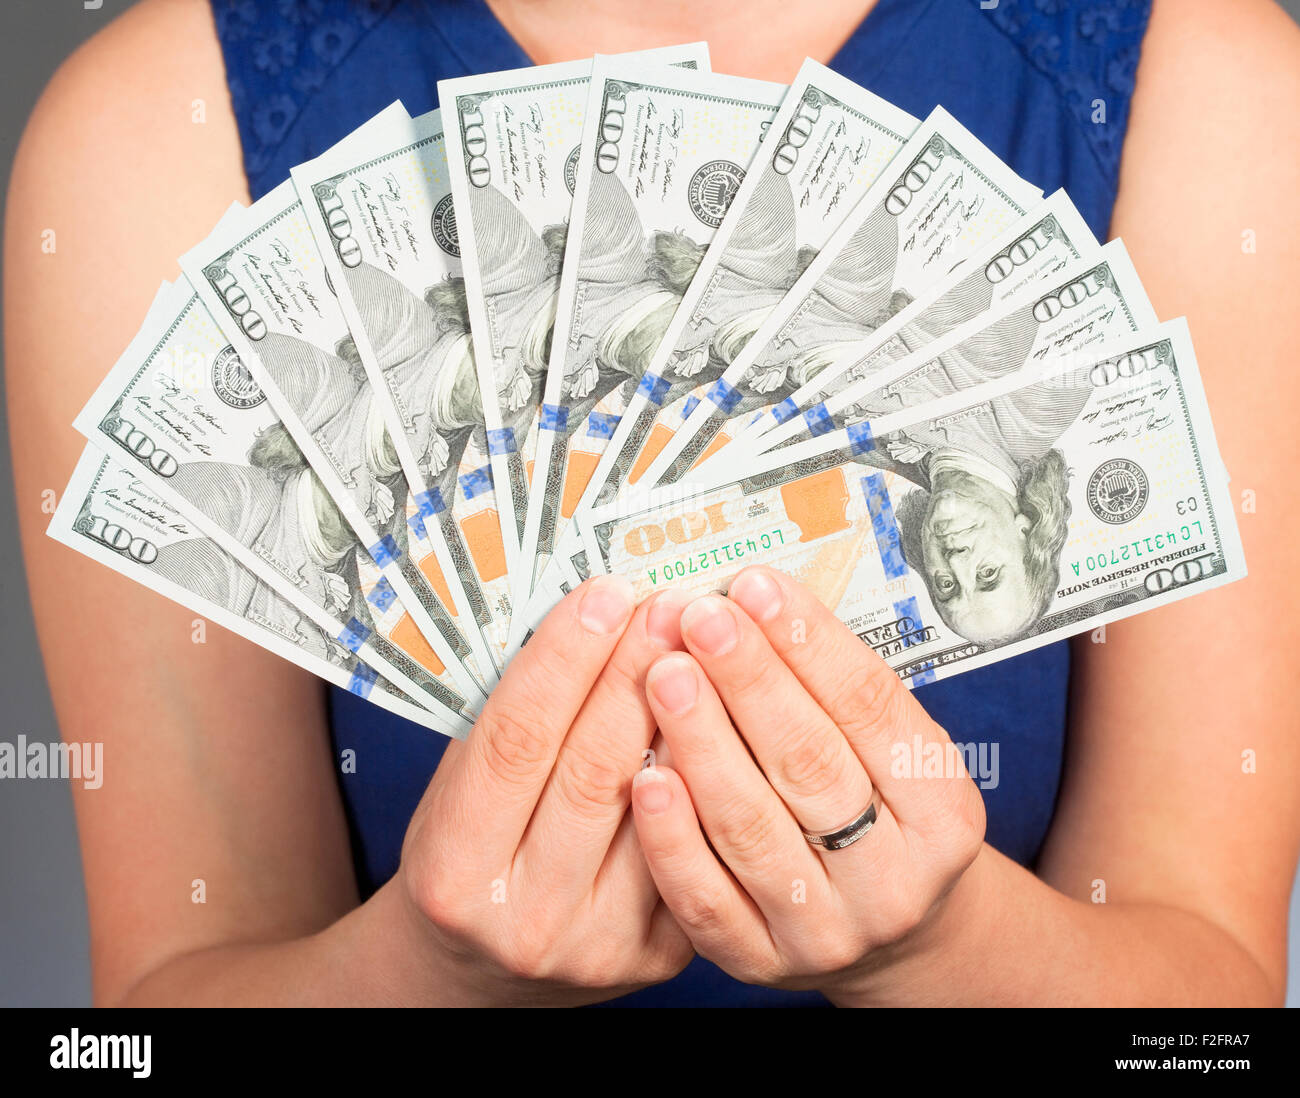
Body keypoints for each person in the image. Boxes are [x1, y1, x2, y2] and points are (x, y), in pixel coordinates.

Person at [7, 0, 1300, 1006]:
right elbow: (119, 1047)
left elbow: (1206, 1032)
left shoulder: (1220, 96)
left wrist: (945, 954)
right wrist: (415, 978)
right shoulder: (152, 131)